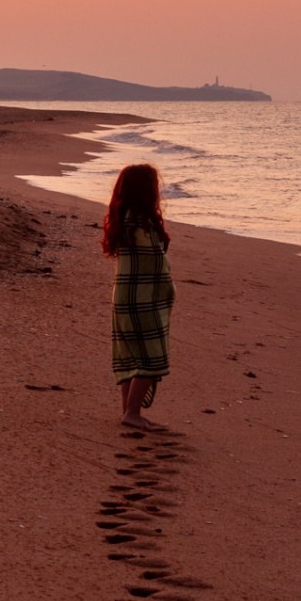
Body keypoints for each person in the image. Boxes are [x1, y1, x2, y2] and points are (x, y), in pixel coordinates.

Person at [102, 163, 175, 430]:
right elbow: (155, 263)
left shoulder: (123, 218)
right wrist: (168, 292)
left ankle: (128, 410)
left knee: (130, 354)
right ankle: (131, 412)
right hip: (142, 299)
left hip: (124, 296)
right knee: (149, 356)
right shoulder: (140, 222)